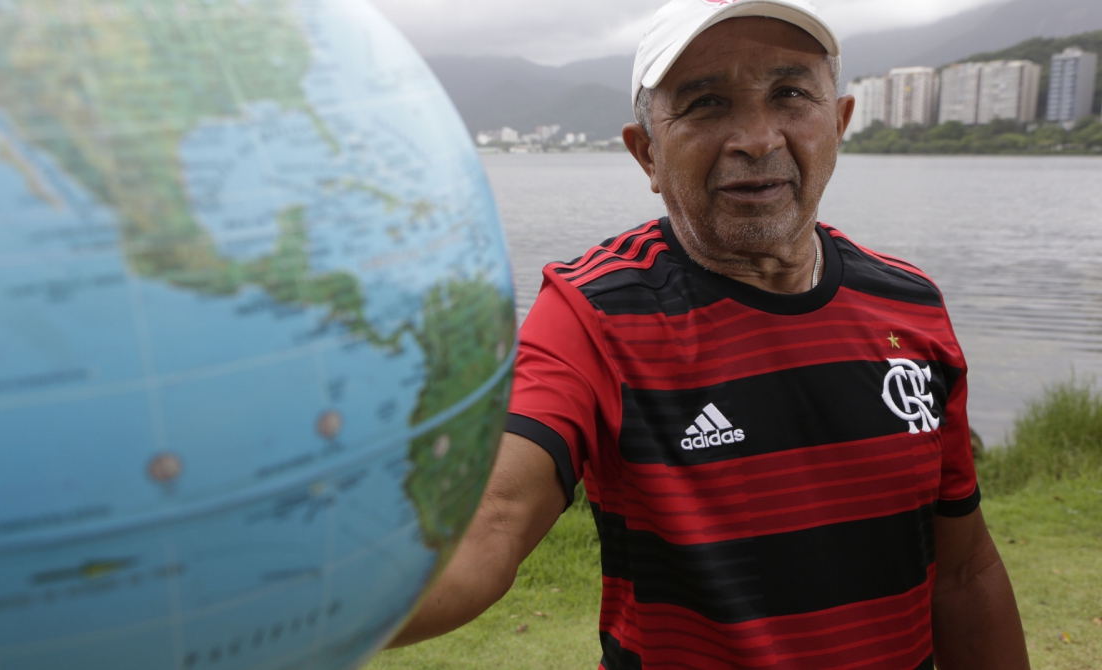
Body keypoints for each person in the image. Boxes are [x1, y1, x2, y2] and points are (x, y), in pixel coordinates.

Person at [390, 0, 1030, 667]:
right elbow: (487, 522)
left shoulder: (911, 304)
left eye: (789, 94)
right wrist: (322, 599)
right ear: (647, 153)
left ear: (838, 124)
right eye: (705, 104)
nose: (756, 138)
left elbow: (964, 570)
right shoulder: (595, 314)